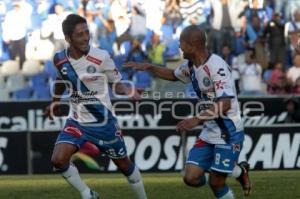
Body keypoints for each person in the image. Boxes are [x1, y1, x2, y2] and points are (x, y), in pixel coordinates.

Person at [125, 25, 251, 198]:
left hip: (228, 131)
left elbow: (225, 103)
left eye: (181, 43)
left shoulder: (217, 66)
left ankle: (226, 174)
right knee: (191, 178)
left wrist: (196, 120)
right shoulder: (190, 66)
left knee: (216, 183)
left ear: (192, 45)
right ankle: (237, 170)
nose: (179, 46)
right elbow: (172, 75)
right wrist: (149, 67)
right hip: (210, 129)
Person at [44, 14, 147, 199]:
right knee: (58, 161)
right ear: (68, 38)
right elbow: (61, 78)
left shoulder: (101, 57)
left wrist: (128, 90)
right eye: (79, 34)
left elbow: (117, 83)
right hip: (76, 121)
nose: (85, 38)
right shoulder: (60, 59)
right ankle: (87, 193)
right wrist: (55, 101)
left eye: (86, 32)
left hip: (103, 123)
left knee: (124, 165)